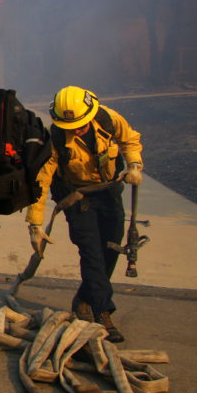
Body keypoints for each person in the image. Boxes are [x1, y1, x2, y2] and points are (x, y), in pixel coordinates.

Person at [26, 86, 143, 342]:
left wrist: (134, 164)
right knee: (91, 253)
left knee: (110, 249)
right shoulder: (55, 139)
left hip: (109, 193)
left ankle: (84, 300)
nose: (75, 129)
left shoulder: (109, 119)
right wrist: (35, 224)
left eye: (79, 124)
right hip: (78, 199)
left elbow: (130, 140)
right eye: (70, 126)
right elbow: (42, 181)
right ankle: (102, 312)